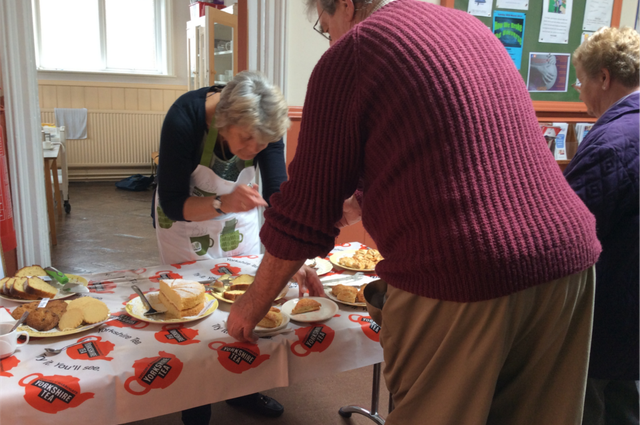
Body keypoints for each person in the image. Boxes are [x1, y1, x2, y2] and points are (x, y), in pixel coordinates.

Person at [226, 1, 602, 424]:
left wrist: (251, 306)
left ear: (345, 7)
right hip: (568, 258)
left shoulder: (353, 51)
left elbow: (302, 213)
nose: (328, 37)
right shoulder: (465, 25)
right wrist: (358, 204)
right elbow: (451, 154)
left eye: (323, 25)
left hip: (468, 273)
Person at [155, 71, 298, 422]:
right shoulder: (184, 119)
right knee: (195, 316)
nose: (253, 149)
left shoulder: (266, 128)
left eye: (262, 144)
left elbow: (277, 193)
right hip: (186, 226)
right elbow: (174, 202)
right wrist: (221, 204)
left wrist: (291, 254)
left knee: (246, 300)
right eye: (247, 138)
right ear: (224, 120)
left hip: (238, 224)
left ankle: (244, 391)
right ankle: (196, 406)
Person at [564, 26, 640, 425]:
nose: (579, 92)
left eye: (581, 81)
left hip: (608, 319)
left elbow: (569, 231)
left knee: (590, 409)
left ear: (605, 77)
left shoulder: (612, 142)